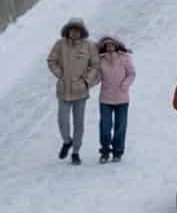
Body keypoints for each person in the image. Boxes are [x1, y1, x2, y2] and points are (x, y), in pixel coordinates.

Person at [47, 17, 97, 163]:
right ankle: (67, 141)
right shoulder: (60, 44)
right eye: (72, 30)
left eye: (77, 30)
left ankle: (75, 152)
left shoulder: (88, 46)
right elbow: (51, 61)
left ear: (82, 32)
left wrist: (86, 81)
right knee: (62, 121)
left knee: (79, 124)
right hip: (63, 91)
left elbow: (95, 65)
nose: (74, 33)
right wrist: (59, 74)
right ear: (67, 31)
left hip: (80, 92)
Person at [93, 34, 134, 162]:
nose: (109, 47)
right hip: (106, 99)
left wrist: (124, 85)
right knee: (105, 126)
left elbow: (131, 73)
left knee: (120, 127)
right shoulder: (101, 60)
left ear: (116, 45)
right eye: (107, 45)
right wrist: (86, 84)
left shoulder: (125, 57)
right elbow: (98, 77)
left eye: (111, 44)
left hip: (122, 99)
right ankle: (105, 151)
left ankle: (118, 152)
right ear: (104, 47)